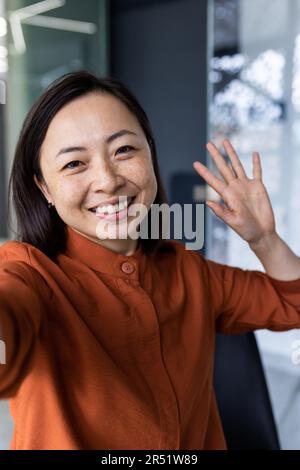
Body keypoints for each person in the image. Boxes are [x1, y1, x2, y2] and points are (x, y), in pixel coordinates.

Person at [0, 71, 300, 450]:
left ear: (150, 154)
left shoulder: (188, 271)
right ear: (44, 187)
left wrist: (264, 240)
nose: (108, 180)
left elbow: (293, 302)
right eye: (75, 163)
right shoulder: (30, 273)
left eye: (124, 150)